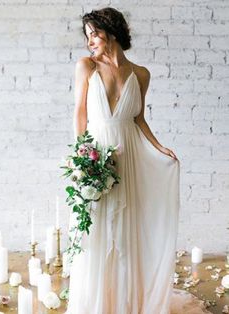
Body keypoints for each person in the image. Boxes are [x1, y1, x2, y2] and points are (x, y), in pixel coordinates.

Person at [66, 7, 212, 314]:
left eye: (95, 33)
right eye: (87, 35)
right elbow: (79, 113)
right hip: (97, 153)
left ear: (112, 31)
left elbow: (139, 118)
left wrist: (160, 148)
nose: (90, 41)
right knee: (98, 226)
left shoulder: (141, 74)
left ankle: (125, 302)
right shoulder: (86, 66)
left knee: (125, 227)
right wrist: (82, 156)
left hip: (127, 154)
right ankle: (97, 304)